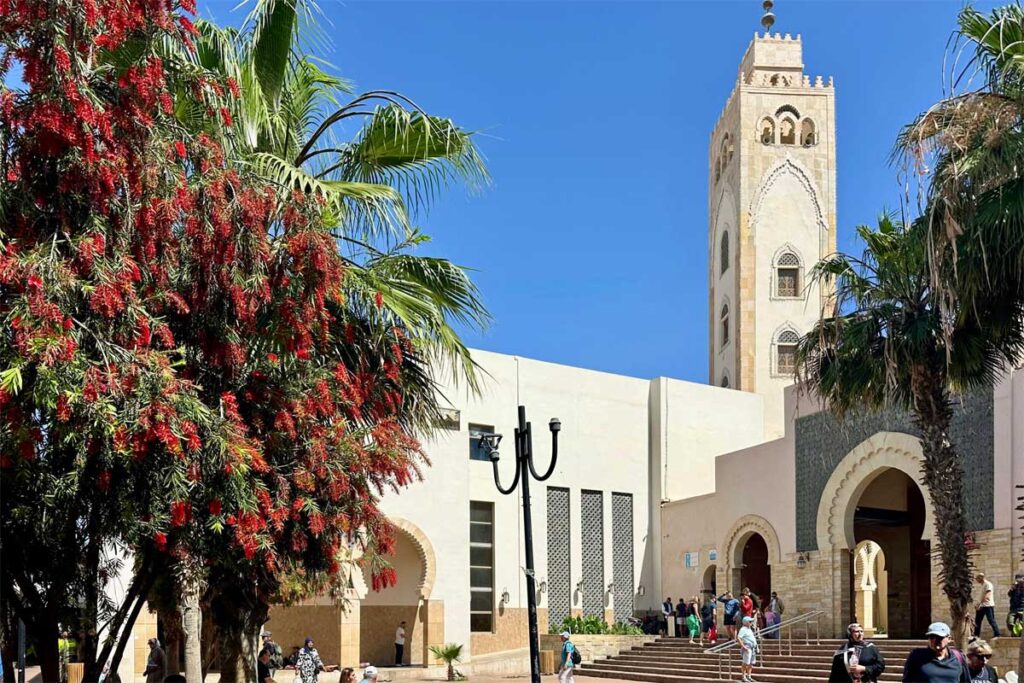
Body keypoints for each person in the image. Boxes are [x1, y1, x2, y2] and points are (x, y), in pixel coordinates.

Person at [901, 622, 969, 683]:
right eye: (932, 637)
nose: (935, 640)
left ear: (949, 639)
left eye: (940, 637)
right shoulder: (917, 656)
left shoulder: (958, 657)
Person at [973, 573, 1000, 638]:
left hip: (987, 605)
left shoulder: (988, 584)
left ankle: (997, 634)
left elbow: (987, 595)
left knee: (991, 620)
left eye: (977, 578)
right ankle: (976, 635)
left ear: (981, 577)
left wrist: (979, 604)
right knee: (977, 621)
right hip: (981, 606)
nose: (976, 580)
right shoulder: (982, 585)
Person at [737, 615, 758, 683]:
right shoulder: (743, 629)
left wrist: (757, 646)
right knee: (746, 663)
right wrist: (743, 646)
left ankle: (749, 676)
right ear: (746, 622)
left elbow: (752, 638)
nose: (751, 622)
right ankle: (744, 676)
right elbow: (738, 637)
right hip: (748, 647)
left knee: (751, 663)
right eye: (750, 621)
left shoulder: (749, 629)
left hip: (753, 648)